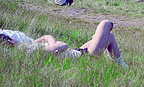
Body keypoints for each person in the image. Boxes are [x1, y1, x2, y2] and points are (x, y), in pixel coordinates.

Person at [0, 20, 128, 68]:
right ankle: (118, 63)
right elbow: (63, 45)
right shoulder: (30, 51)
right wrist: (54, 43)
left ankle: (121, 66)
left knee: (109, 36)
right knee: (105, 24)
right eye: (12, 38)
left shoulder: (29, 47)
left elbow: (46, 37)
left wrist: (52, 43)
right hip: (85, 56)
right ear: (11, 42)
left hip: (78, 51)